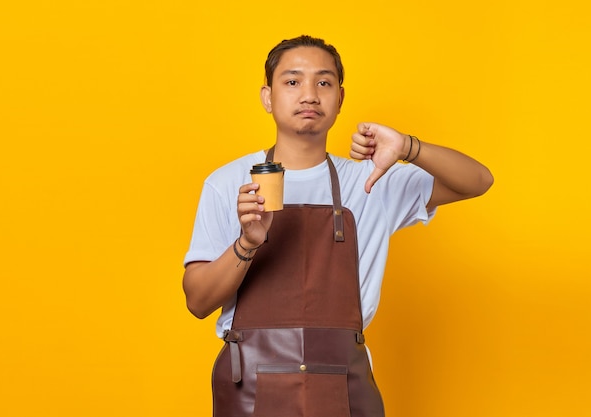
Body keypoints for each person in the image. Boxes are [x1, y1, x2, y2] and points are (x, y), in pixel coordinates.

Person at [183, 35, 493, 417]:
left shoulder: (370, 182)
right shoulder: (229, 183)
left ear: (340, 98)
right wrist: (247, 244)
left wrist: (407, 147)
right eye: (293, 81)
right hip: (249, 391)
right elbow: (197, 302)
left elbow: (478, 181)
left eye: (324, 82)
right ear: (267, 96)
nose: (310, 94)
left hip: (344, 392)